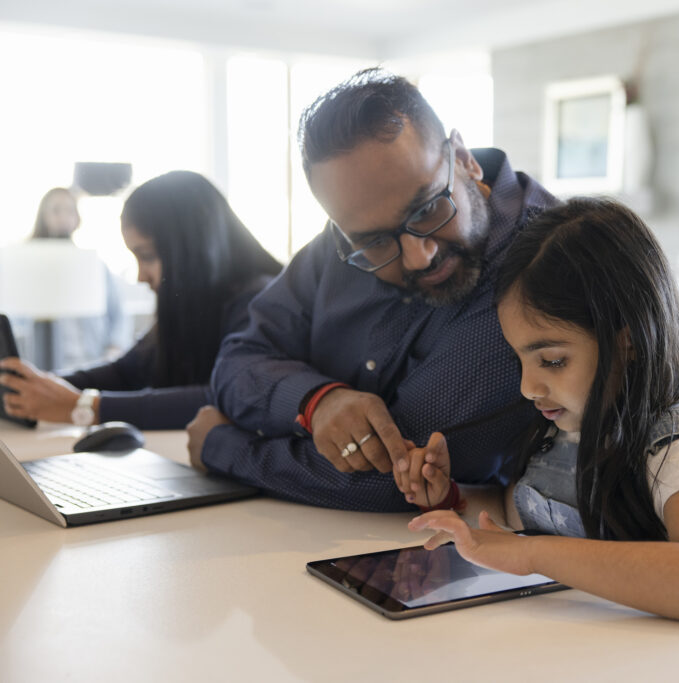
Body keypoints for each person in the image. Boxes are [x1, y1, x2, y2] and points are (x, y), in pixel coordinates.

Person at [187, 68, 560, 510]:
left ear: (463, 157)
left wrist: (220, 445)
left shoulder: (543, 268)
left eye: (426, 209)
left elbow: (399, 475)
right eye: (376, 241)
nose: (418, 256)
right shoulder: (344, 242)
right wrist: (316, 402)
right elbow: (237, 361)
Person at [401, 198, 679, 624]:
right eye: (519, 360)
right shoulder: (564, 427)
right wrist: (449, 497)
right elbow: (519, 513)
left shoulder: (676, 449)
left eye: (553, 361)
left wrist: (530, 554)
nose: (528, 387)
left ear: (626, 341)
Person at [0, 171, 282, 429]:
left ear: (192, 248)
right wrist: (41, 386)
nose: (140, 276)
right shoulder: (195, 308)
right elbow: (125, 372)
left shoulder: (259, 304)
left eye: (147, 256)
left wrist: (84, 406)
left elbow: (226, 396)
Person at [23, 187, 131, 370]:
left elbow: (118, 313)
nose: (63, 217)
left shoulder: (93, 264)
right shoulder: (29, 265)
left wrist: (114, 349)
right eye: (56, 210)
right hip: (48, 365)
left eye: (69, 210)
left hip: (93, 362)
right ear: (43, 216)